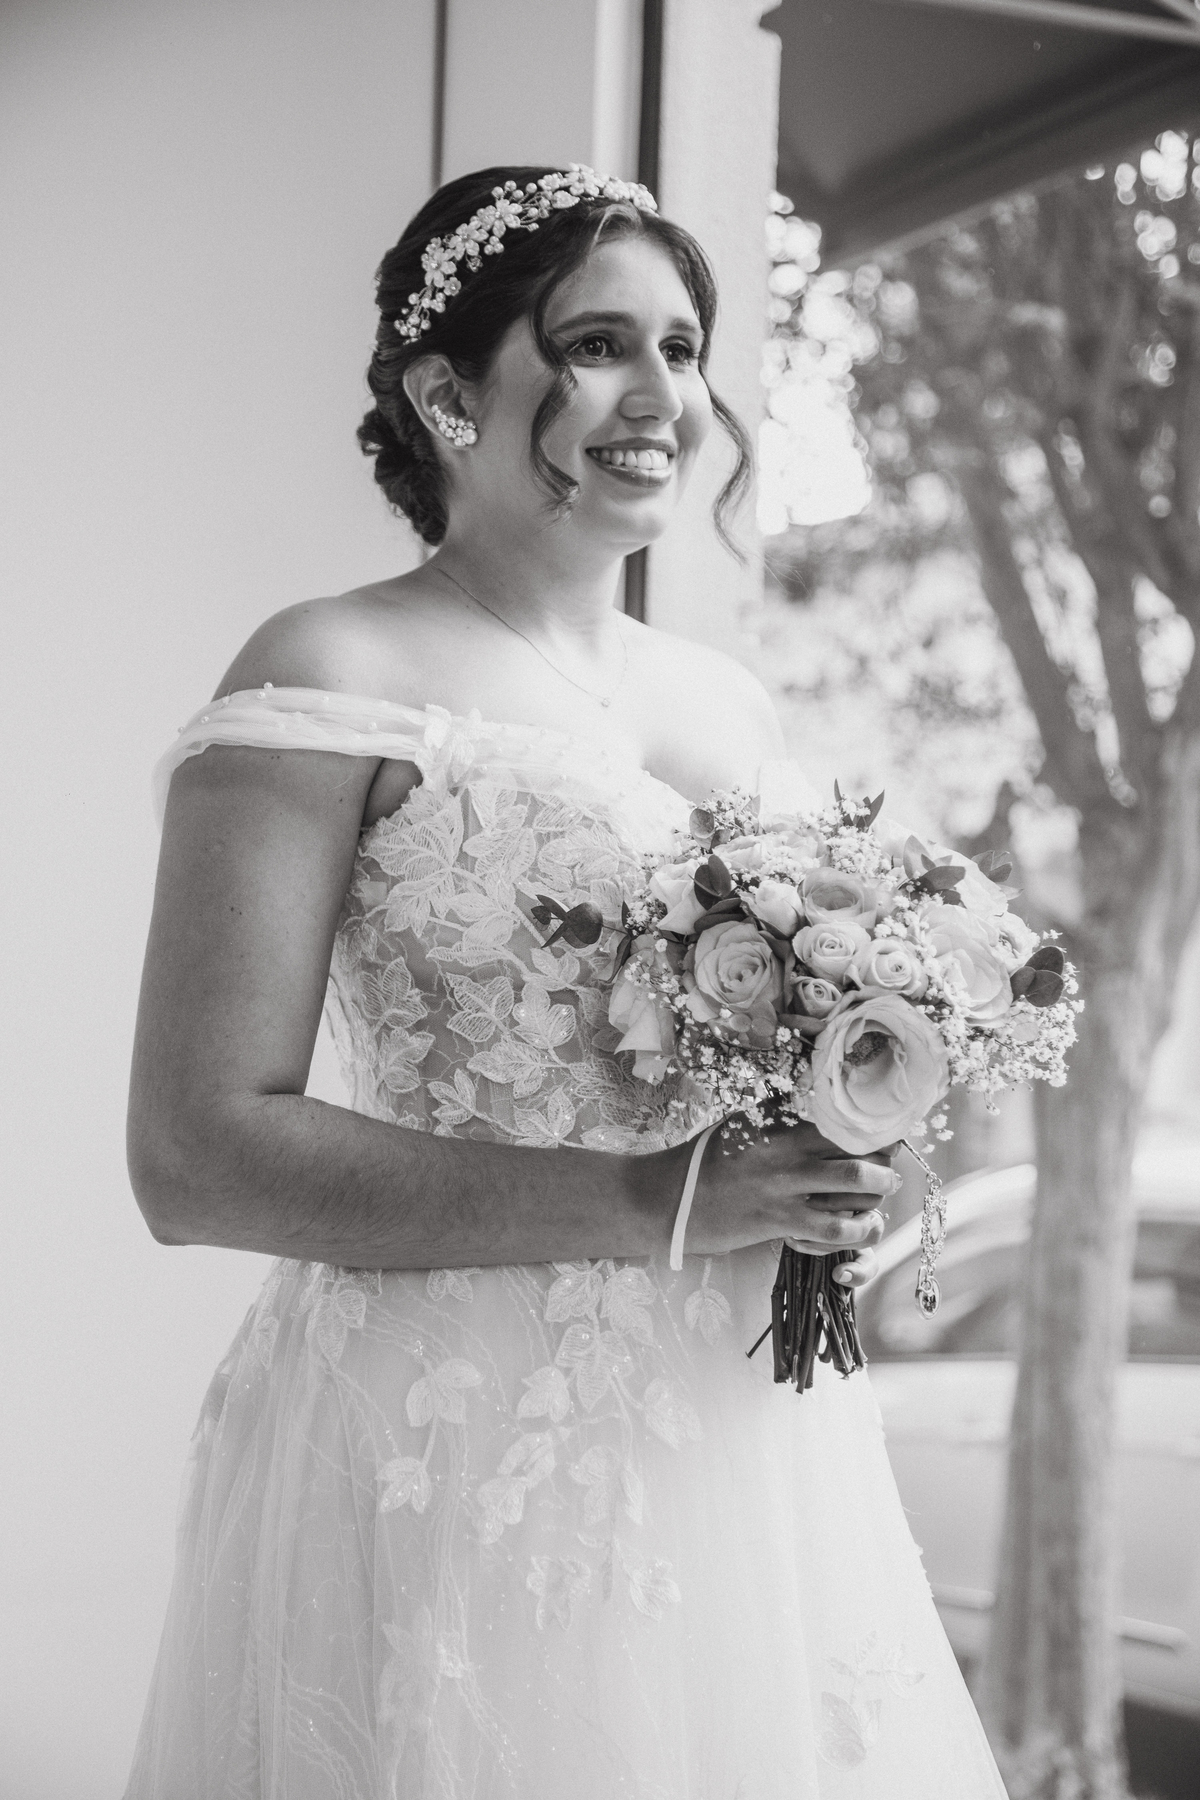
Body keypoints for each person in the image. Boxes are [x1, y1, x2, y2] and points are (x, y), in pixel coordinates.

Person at [124, 165, 1007, 1798]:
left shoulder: (732, 707)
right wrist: (656, 1199)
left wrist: (832, 1151)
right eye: (597, 345)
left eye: (683, 346)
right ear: (446, 392)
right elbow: (194, 1153)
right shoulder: (327, 672)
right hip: (447, 1427)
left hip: (742, 1434)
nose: (662, 395)